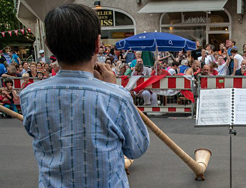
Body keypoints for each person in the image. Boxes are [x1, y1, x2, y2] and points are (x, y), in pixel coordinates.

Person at [20, 4, 150, 188]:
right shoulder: (115, 97)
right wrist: (111, 87)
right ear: (98, 44)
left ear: (48, 45)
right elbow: (137, 148)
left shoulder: (29, 96)